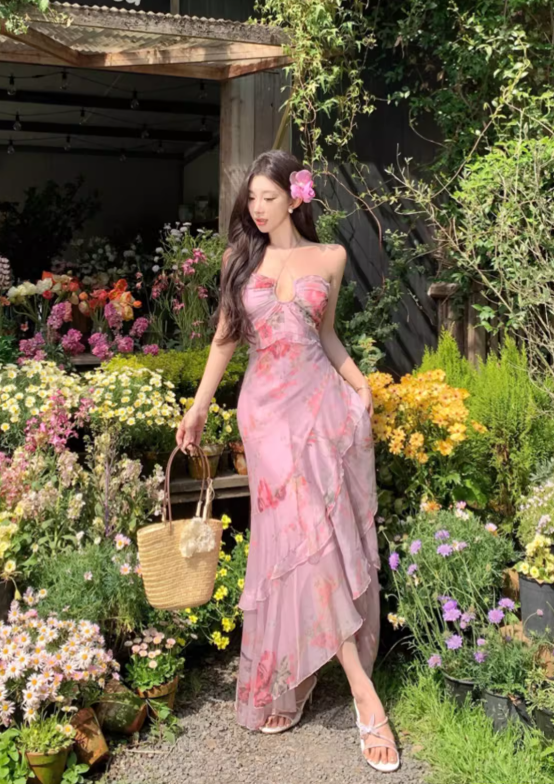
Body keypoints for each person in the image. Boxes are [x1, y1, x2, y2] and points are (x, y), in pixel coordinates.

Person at [176, 149, 399, 773]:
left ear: (295, 198)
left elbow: (326, 337)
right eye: (251, 198)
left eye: (268, 197)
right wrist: (199, 407)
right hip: (266, 415)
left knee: (316, 537)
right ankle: (363, 695)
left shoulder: (330, 257)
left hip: (319, 406)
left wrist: (361, 387)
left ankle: (299, 676)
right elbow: (225, 338)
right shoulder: (240, 259)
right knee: (299, 538)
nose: (257, 207)